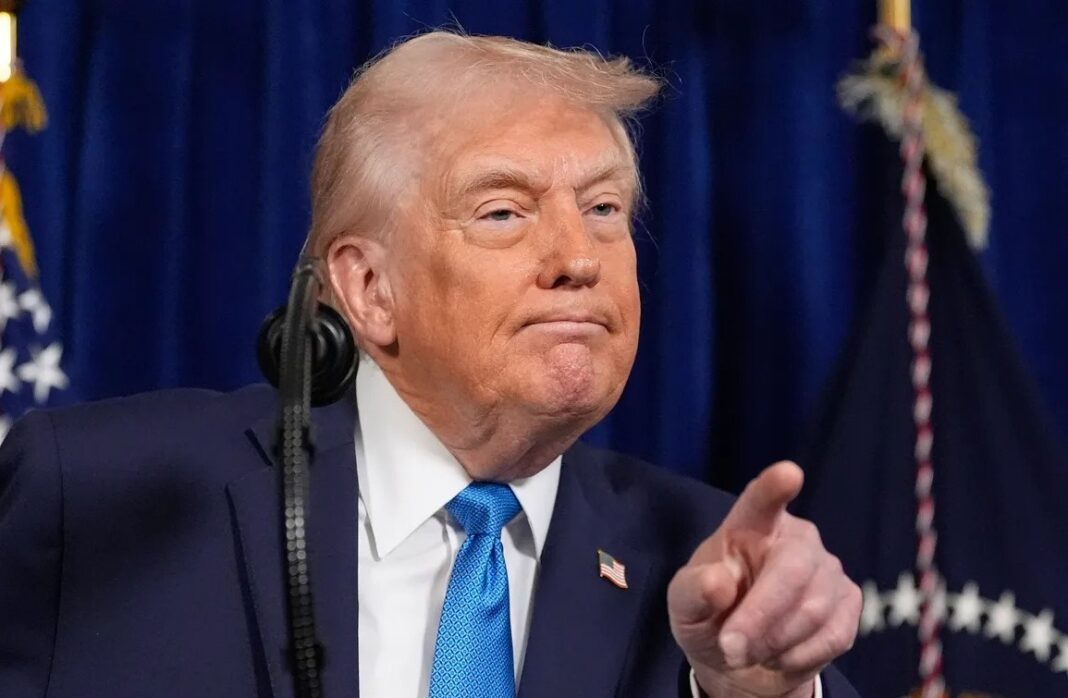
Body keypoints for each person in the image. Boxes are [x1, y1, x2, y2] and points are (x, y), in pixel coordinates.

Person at [0, 32, 862, 698]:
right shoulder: (101, 497)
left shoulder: (713, 568)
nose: (579, 257)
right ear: (369, 288)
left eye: (604, 208)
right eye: (503, 212)